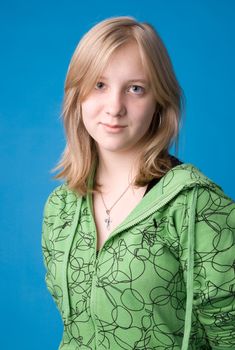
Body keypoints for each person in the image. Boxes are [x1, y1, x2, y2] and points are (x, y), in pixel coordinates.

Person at [41, 16, 235, 350]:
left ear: (159, 100)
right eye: (99, 85)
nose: (115, 107)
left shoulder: (195, 205)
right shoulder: (60, 207)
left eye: (135, 89)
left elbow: (228, 333)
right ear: (78, 96)